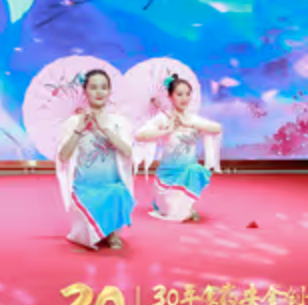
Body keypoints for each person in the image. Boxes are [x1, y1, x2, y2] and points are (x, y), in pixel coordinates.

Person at [56, 69, 135, 250]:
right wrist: (78, 130)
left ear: (109, 91)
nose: (99, 92)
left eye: (104, 87)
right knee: (87, 236)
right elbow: (63, 156)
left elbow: (128, 152)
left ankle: (112, 232)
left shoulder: (119, 122)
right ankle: (97, 227)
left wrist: (106, 129)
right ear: (85, 91)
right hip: (85, 188)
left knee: (117, 192)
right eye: (93, 87)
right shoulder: (74, 122)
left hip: (112, 186)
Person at [135, 74, 222, 222]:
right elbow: (139, 135)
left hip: (187, 174)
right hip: (168, 177)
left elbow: (217, 128)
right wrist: (166, 131)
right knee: (172, 211)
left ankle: (185, 206)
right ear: (170, 96)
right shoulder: (164, 118)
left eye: (188, 94)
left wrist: (189, 124)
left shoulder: (192, 118)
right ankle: (177, 206)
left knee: (195, 169)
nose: (184, 98)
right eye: (179, 94)